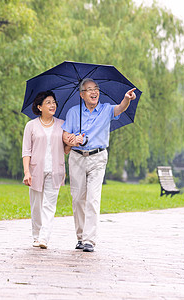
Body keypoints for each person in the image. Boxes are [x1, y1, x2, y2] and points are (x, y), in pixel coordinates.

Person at [62, 78, 137, 252]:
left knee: (93, 198)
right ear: (82, 95)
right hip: (77, 158)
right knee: (78, 198)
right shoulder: (74, 112)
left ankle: (90, 240)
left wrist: (126, 99)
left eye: (96, 88)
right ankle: (80, 237)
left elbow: (119, 108)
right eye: (89, 90)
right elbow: (65, 135)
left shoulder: (106, 109)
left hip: (98, 157)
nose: (94, 92)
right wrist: (74, 139)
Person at [22, 90, 75, 249]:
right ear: (39, 107)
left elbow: (65, 150)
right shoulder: (31, 126)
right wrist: (26, 172)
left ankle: (44, 237)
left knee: (49, 205)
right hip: (36, 171)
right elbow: (26, 151)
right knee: (36, 205)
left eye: (54, 102)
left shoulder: (62, 124)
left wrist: (71, 143)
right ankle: (36, 235)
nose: (52, 105)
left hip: (56, 170)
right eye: (48, 103)